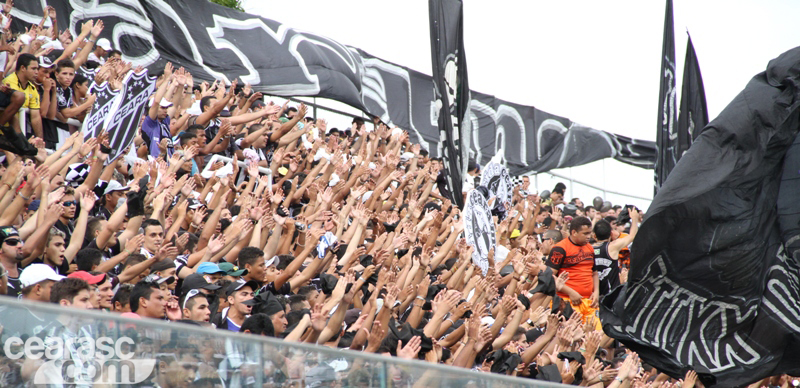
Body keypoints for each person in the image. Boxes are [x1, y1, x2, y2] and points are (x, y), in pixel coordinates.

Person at [546, 216, 599, 324]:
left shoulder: (590, 247)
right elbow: (549, 275)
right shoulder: (560, 248)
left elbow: (594, 273)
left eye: (590, 233)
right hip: (567, 302)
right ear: (574, 232)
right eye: (585, 233)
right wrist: (570, 292)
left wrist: (596, 291)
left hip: (588, 302)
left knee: (597, 336)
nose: (589, 236)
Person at [4, 53, 43, 138]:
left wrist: (40, 140)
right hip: (4, 135)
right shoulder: (8, 83)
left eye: (37, 69)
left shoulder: (32, 88)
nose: (37, 72)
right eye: (33, 69)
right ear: (23, 68)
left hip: (16, 137)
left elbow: (35, 117)